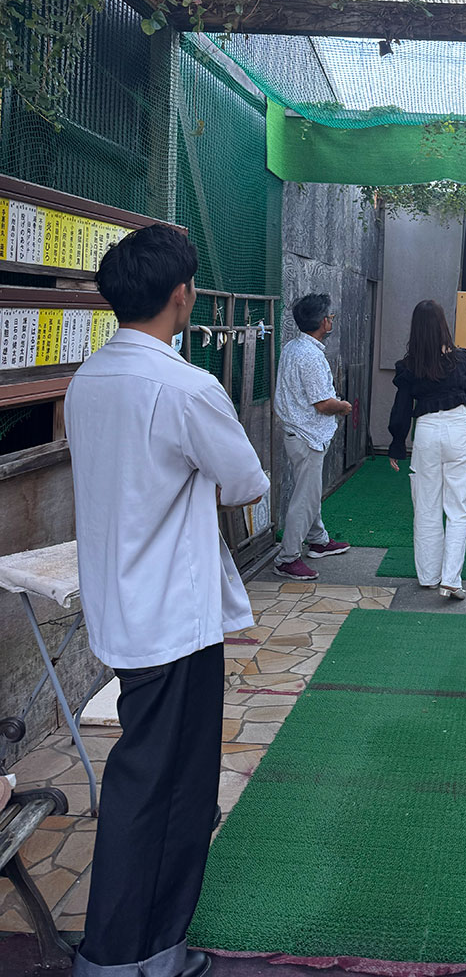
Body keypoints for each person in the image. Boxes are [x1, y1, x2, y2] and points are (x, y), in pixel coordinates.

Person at [65, 224, 269, 977]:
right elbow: (247, 481)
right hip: (175, 620)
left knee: (152, 778)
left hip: (121, 608)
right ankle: (128, 954)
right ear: (181, 296)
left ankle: (148, 946)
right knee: (169, 789)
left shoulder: (91, 377)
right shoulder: (184, 385)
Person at [388, 300, 466, 599]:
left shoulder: (409, 366)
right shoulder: (462, 360)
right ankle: (451, 579)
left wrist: (396, 444)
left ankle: (429, 576)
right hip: (459, 429)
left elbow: (402, 407)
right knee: (458, 510)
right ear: (443, 325)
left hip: (426, 433)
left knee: (426, 507)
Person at [272, 293, 353, 581]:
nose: (332, 319)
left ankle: (318, 540)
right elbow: (323, 404)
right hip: (307, 436)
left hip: (300, 433)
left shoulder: (294, 347)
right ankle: (287, 558)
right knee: (305, 498)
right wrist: (343, 406)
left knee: (310, 491)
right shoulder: (310, 355)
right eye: (330, 316)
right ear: (322, 322)